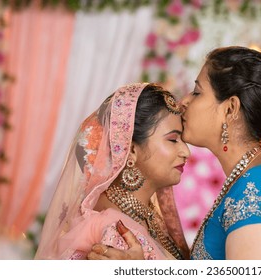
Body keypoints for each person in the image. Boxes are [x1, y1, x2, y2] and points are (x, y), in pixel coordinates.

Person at [88, 46, 261, 260]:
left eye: (197, 92)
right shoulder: (259, 176)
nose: (184, 101)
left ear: (230, 109)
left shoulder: (260, 187)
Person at [34, 83, 191, 260]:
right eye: (173, 140)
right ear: (131, 150)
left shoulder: (146, 217)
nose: (186, 152)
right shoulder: (114, 233)